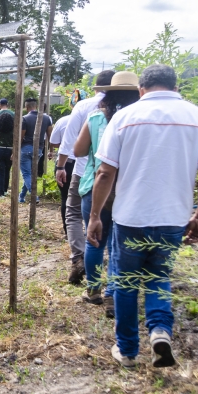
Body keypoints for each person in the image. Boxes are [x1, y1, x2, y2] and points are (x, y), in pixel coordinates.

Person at [86, 64, 198, 369]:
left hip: (130, 217)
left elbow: (105, 172)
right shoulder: (197, 117)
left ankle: (128, 351)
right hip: (172, 218)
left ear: (141, 90)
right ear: (176, 88)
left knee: (125, 283)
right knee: (158, 277)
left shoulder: (124, 117)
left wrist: (95, 215)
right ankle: (160, 331)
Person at [73, 71, 141, 319]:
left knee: (94, 239)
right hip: (127, 188)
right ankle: (113, 292)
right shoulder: (138, 119)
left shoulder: (95, 118)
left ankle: (93, 290)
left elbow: (79, 151)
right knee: (118, 244)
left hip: (96, 185)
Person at [56, 70, 115, 284]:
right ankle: (112, 281)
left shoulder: (85, 107)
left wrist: (60, 166)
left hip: (85, 173)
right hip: (119, 178)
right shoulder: (129, 108)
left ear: (95, 87)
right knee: (113, 223)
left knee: (73, 213)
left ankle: (79, 258)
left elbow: (70, 142)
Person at [18, 98, 52, 204]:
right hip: (39, 149)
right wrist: (51, 150)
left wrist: (15, 151)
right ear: (36, 106)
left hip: (26, 148)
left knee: (27, 174)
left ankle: (34, 196)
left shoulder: (25, 118)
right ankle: (22, 196)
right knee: (30, 174)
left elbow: (21, 136)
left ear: (26, 107)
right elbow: (50, 136)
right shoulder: (47, 118)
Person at [48, 114, 73, 236]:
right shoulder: (95, 118)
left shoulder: (63, 120)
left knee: (66, 197)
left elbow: (53, 141)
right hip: (86, 164)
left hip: (66, 164)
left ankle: (68, 232)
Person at [0, 111, 23, 197]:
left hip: (0, 150)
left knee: (0, 172)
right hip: (10, 151)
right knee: (7, 171)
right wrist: (14, 153)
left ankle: (1, 193)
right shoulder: (13, 130)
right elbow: (15, 142)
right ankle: (5, 190)